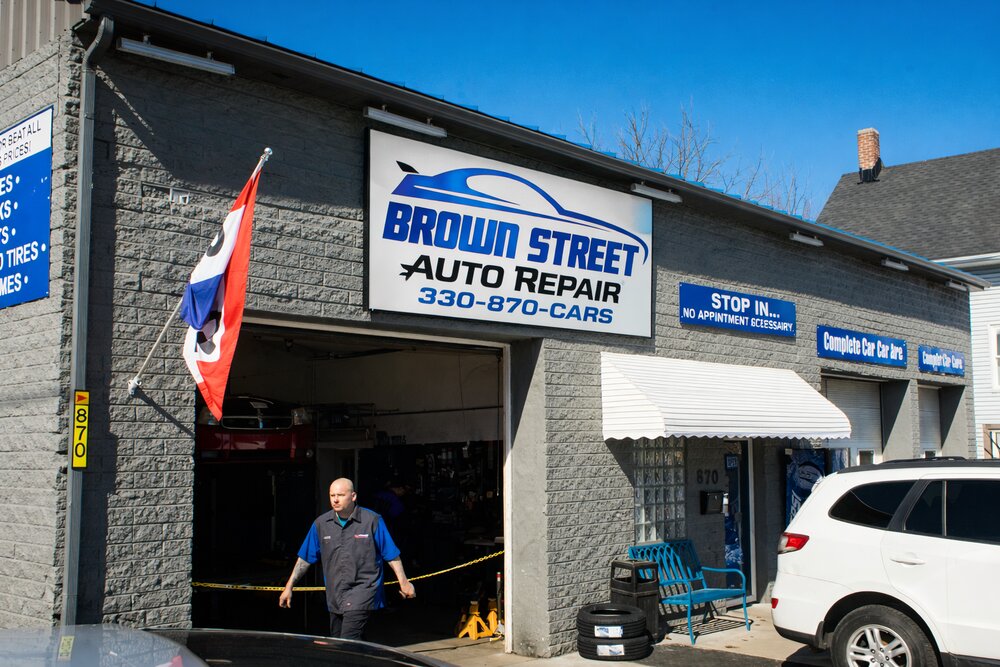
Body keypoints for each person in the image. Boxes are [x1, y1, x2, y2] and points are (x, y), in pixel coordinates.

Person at [279, 478, 416, 639]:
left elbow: (391, 554)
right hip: (335, 595)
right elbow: (305, 558)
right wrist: (289, 586)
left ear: (353, 496)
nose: (335, 499)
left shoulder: (372, 520)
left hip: (363, 591)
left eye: (340, 495)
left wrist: (404, 582)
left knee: (346, 642)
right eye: (332, 495)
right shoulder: (321, 524)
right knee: (341, 643)